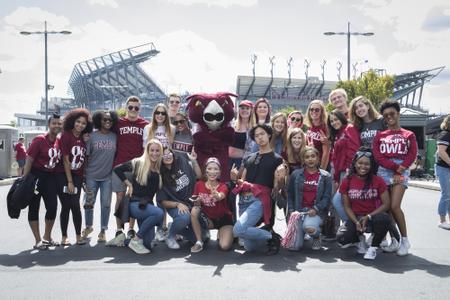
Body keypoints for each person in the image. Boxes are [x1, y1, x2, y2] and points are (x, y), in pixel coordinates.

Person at [373, 100, 418, 256]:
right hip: (385, 171)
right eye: (386, 115)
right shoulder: (380, 135)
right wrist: (394, 167)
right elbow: (378, 156)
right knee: (387, 209)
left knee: (395, 206)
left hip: (401, 171)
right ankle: (394, 240)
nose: (389, 117)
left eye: (392, 114)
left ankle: (405, 240)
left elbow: (412, 154)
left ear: (398, 114)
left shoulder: (408, 134)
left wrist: (401, 168)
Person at [231, 124, 284, 254]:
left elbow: (278, 187)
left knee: (238, 230)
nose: (259, 137)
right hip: (244, 199)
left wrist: (281, 178)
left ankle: (272, 236)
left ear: (269, 135)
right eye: (256, 135)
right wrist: (234, 179)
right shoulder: (249, 157)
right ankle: (268, 235)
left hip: (260, 199)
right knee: (250, 247)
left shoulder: (277, 159)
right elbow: (241, 182)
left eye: (262, 134)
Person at [107, 96, 149, 246]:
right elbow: (102, 128)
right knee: (119, 197)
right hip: (119, 166)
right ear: (126, 107)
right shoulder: (118, 123)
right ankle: (119, 229)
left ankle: (131, 228)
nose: (133, 110)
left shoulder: (145, 124)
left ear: (140, 109)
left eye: (136, 108)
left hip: (137, 167)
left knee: (133, 198)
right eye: (130, 107)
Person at [338, 148, 392, 260]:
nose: (363, 166)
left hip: (372, 216)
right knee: (342, 238)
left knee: (384, 219)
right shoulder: (347, 180)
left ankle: (373, 248)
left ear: (371, 165)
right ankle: (359, 239)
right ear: (355, 163)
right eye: (360, 163)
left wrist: (368, 216)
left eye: (367, 164)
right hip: (356, 217)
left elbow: (386, 204)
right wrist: (356, 222)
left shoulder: (378, 180)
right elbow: (346, 206)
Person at [113, 139, 165, 254]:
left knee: (148, 244)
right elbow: (118, 169)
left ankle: (124, 241)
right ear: (147, 151)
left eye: (157, 151)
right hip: (135, 204)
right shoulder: (138, 163)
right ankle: (136, 240)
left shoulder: (160, 168)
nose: (154, 153)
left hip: (147, 206)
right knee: (159, 213)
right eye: (152, 150)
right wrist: (129, 184)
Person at [23, 114, 62, 250]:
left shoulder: (58, 141)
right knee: (34, 207)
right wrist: (25, 179)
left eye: (59, 123)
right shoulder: (39, 140)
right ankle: (38, 240)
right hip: (36, 177)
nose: (57, 126)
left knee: (52, 207)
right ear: (49, 124)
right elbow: (29, 159)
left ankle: (47, 237)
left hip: (50, 178)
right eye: (54, 123)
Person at [55, 108, 93, 246]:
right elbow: (65, 160)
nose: (80, 125)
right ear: (72, 121)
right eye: (78, 122)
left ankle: (78, 236)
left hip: (77, 176)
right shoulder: (66, 135)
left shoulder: (83, 138)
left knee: (76, 206)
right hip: (63, 176)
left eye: (83, 123)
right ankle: (64, 236)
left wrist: (81, 179)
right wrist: (69, 181)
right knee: (66, 206)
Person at [81, 110, 118, 243]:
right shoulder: (92, 136)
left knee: (106, 205)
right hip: (91, 176)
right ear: (99, 121)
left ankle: (103, 230)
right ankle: (88, 227)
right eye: (104, 120)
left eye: (110, 120)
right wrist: (84, 176)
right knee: (89, 203)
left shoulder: (115, 136)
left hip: (107, 177)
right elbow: (86, 156)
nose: (107, 122)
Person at [286, 146, 332, 251]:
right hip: (299, 212)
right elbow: (290, 194)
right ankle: (301, 233)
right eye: (307, 157)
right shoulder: (296, 174)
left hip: (316, 212)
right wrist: (292, 211)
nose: (310, 159)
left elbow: (327, 198)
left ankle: (316, 236)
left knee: (309, 227)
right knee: (295, 247)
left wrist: (316, 208)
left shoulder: (326, 176)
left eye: (313, 156)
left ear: (318, 158)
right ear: (303, 160)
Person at [157, 147, 202, 249]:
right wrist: (177, 204)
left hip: (191, 203)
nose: (167, 157)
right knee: (184, 217)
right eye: (164, 156)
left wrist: (194, 161)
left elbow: (199, 175)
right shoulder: (160, 175)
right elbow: (162, 201)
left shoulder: (182, 161)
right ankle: (170, 235)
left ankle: (174, 227)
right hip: (175, 205)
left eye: (169, 154)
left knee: (200, 238)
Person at [190, 157, 234, 252]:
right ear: (205, 170)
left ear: (219, 172)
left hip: (224, 219)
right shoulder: (199, 184)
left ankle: (222, 234)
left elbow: (221, 196)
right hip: (208, 220)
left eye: (215, 169)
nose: (212, 172)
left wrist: (216, 195)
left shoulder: (223, 186)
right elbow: (195, 199)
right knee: (194, 210)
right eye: (209, 169)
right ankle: (199, 241)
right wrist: (197, 201)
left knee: (225, 246)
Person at [328, 110, 351, 223]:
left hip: (345, 171)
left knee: (340, 201)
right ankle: (335, 229)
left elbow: (352, 151)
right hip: (336, 171)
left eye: (336, 119)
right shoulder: (336, 134)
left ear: (342, 118)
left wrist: (349, 169)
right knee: (335, 200)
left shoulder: (348, 130)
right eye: (331, 121)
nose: (334, 123)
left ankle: (350, 226)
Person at [229, 100, 254, 170]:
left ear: (251, 111)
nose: (244, 110)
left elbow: (251, 149)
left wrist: (244, 165)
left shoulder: (253, 128)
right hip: (227, 160)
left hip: (240, 162)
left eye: (247, 108)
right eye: (242, 108)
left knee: (237, 181)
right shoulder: (232, 124)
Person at [305, 100, 330, 170]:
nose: (314, 112)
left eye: (317, 110)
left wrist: (322, 170)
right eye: (311, 109)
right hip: (311, 163)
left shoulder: (325, 128)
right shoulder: (310, 126)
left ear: (322, 112)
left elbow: (326, 153)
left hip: (320, 165)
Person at [435, 116, 450, 229]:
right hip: (444, 168)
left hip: (447, 168)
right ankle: (442, 220)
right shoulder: (445, 134)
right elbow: (441, 152)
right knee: (446, 194)